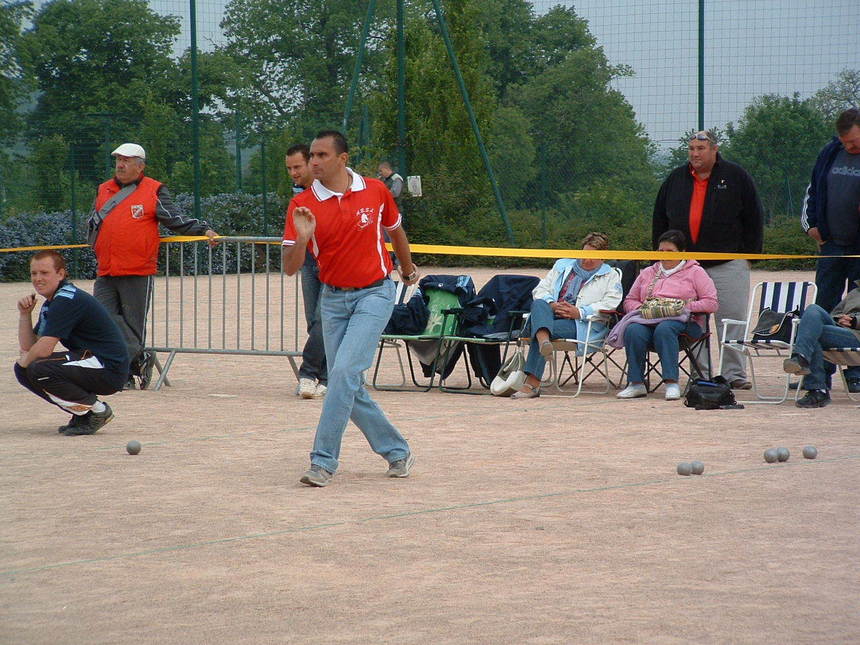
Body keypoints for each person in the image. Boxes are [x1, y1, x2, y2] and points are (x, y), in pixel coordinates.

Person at [282, 130, 419, 487]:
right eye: (312, 155)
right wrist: (302, 237)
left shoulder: (375, 190)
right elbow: (290, 266)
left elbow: (396, 231)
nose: (313, 162)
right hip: (333, 300)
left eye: (322, 155)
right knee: (348, 382)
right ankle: (397, 450)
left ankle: (323, 461)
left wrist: (406, 269)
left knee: (342, 375)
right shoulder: (301, 205)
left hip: (375, 294)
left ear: (342, 159)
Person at [87, 143, 218, 390]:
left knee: (132, 325)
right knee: (102, 319)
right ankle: (139, 358)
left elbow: (175, 219)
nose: (120, 165)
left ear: (140, 166)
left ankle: (123, 372)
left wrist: (203, 229)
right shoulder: (104, 189)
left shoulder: (154, 189)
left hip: (138, 269)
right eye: (118, 160)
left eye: (126, 160)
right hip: (106, 269)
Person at [653, 129, 763, 390]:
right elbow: (659, 218)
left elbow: (754, 217)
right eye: (691, 148)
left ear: (714, 149)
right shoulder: (675, 179)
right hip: (687, 265)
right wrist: (660, 256)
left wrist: (749, 257)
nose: (694, 153)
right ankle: (700, 374)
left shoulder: (736, 176)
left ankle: (734, 374)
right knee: (694, 320)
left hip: (729, 263)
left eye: (700, 149)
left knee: (732, 319)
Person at [14, 250, 129, 435]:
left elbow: (43, 349)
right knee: (26, 369)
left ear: (60, 274)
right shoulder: (53, 302)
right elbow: (29, 346)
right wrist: (24, 315)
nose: (37, 278)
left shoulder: (66, 300)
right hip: (90, 361)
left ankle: (98, 411)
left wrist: (26, 361)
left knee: (37, 368)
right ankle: (83, 414)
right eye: (34, 273)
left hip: (108, 368)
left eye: (44, 273)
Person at [510, 232, 622, 400]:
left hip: (580, 324)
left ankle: (533, 380)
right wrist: (552, 305)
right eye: (584, 254)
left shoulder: (611, 275)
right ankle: (543, 342)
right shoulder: (562, 266)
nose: (587, 260)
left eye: (594, 257)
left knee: (541, 328)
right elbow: (540, 290)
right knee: (540, 303)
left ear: (603, 258)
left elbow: (610, 303)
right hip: (551, 314)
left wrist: (580, 312)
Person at [617, 230, 718, 401]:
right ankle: (636, 383)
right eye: (661, 251)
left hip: (685, 324)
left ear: (682, 252)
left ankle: (671, 382)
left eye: (670, 251)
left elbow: (712, 303)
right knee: (633, 329)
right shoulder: (648, 272)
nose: (664, 255)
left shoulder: (696, 272)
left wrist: (682, 306)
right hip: (649, 320)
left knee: (665, 328)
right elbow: (629, 300)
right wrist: (644, 308)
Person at [800, 107, 860, 392]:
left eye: (854, 142)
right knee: (823, 305)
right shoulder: (830, 152)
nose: (849, 147)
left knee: (857, 307)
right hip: (832, 245)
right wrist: (811, 223)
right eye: (845, 142)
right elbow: (814, 189)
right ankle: (819, 371)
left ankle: (856, 372)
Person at [286, 143, 327, 399]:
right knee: (314, 321)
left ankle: (309, 373)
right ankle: (326, 376)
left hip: (333, 263)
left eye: (297, 166)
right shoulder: (299, 196)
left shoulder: (331, 189)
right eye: (289, 168)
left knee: (325, 319)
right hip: (309, 262)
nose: (293, 172)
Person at [783, 283, 860, 408]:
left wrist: (854, 321)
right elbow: (836, 313)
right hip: (841, 330)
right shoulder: (855, 292)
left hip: (856, 335)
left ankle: (817, 388)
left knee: (811, 332)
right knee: (813, 309)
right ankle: (802, 358)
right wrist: (839, 319)